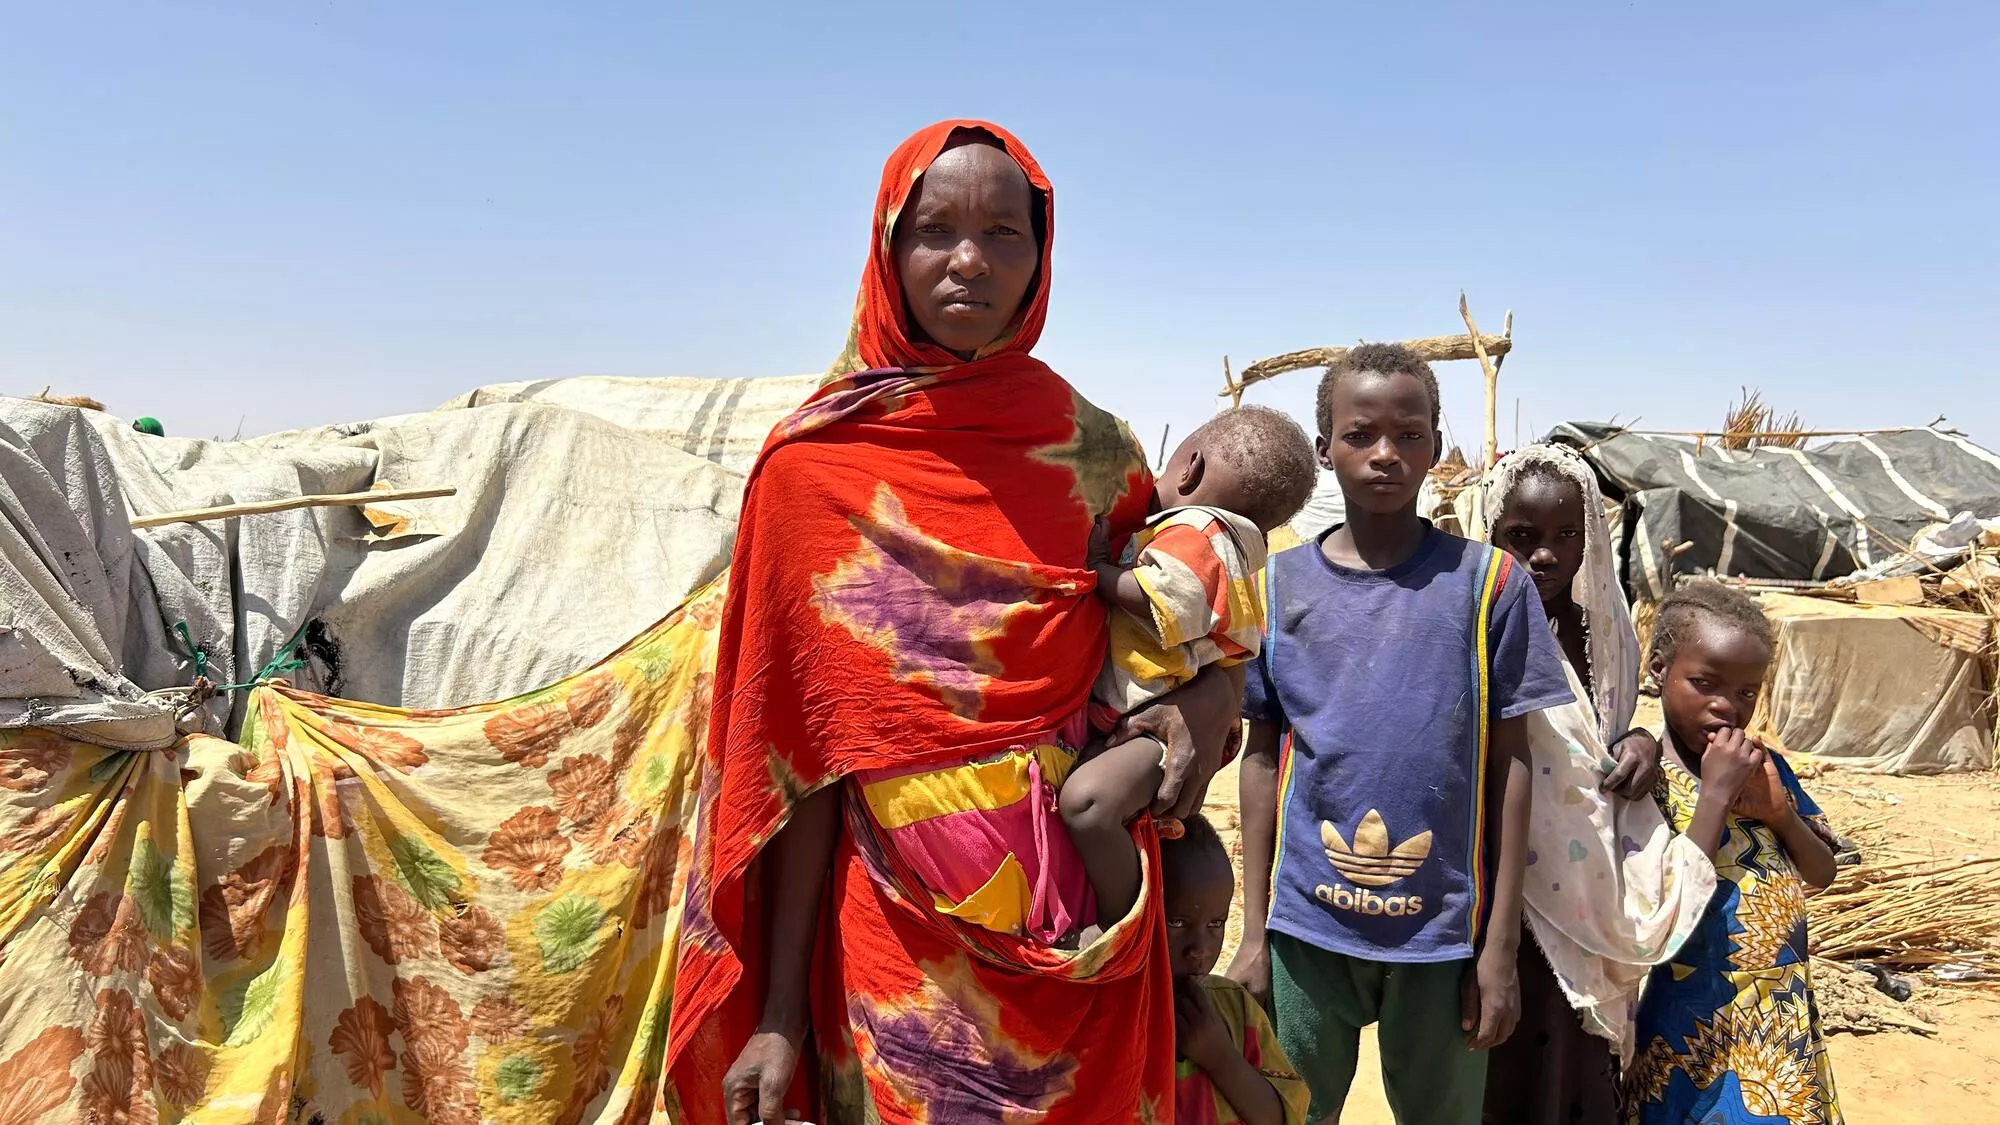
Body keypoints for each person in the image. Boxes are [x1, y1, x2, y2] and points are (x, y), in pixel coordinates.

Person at [663, 120, 1241, 1125]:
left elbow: (1183, 626)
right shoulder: (811, 471)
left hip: (1085, 940)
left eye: (1003, 234)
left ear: (1040, 256)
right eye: (934, 231)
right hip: (893, 947)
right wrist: (781, 1016)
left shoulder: (1093, 456)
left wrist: (1217, 687)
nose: (969, 259)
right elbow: (801, 770)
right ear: (888, 250)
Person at [1226, 343, 1575, 1125]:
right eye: (1361, 435)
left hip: (1444, 934)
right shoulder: (1276, 590)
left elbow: (1513, 765)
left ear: (1435, 443)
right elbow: (1259, 761)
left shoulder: (1490, 586)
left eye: (1409, 434)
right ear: (1325, 450)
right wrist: (1254, 932)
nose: (1387, 454)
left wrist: (1498, 948)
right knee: (1291, 1112)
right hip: (1306, 928)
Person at [1477, 445, 1719, 1125]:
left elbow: (1602, 731)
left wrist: (1640, 742)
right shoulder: (1470, 629)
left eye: (1564, 537)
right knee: (1502, 1052)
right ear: (1492, 533)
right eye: (1521, 537)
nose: (1545, 555)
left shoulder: (1598, 635)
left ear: (1590, 539)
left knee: (1571, 1056)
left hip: (1586, 882)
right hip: (1500, 886)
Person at [1063, 405, 1317, 921]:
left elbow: (1169, 598)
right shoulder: (1236, 545)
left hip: (1162, 720)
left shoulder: (1198, 530)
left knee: (1088, 805)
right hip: (1162, 710)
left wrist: (1102, 574)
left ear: (1190, 467)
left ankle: (1123, 923)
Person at [1622, 582, 1843, 1125]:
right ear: (1658, 670)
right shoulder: (1644, 778)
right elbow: (1664, 896)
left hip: (1777, 1017)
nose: (1727, 706)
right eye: (1705, 683)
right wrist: (1716, 795)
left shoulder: (1765, 766)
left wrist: (1779, 814)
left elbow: (1822, 871)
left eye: (1747, 692)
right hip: (1683, 1022)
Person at [1164, 813, 1312, 1125]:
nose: (1200, 950)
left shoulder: (1235, 1009)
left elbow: (1280, 1117)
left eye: (1216, 923)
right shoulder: (1114, 1018)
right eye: (1176, 922)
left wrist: (1219, 1055)